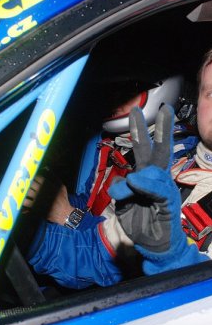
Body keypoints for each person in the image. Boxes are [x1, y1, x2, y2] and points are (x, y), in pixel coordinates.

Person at [29, 39, 212, 283]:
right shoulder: (176, 171)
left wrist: (172, 258)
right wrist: (22, 238)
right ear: (199, 102)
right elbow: (92, 256)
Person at [26, 71, 198, 288]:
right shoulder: (114, 143)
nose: (116, 99)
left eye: (129, 90)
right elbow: (95, 205)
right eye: (111, 91)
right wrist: (48, 199)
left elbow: (117, 258)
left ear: (163, 89)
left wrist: (64, 216)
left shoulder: (174, 162)